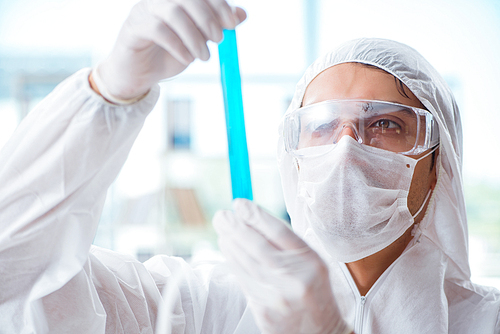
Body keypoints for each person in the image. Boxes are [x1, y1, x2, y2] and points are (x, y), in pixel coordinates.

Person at [0, 1, 499, 333]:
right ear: (295, 161)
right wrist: (107, 93)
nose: (346, 148)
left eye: (386, 124)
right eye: (321, 126)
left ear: (439, 164)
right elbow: (14, 270)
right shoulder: (201, 307)